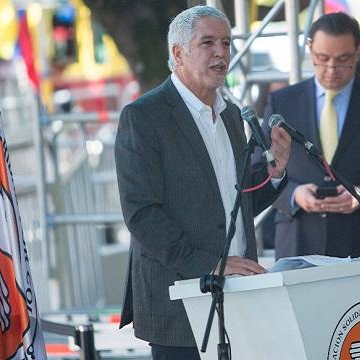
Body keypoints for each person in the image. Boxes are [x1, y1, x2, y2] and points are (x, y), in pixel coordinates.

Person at [114, 6, 291, 360]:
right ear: (178, 53)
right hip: (180, 303)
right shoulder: (144, 117)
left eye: (225, 43)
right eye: (207, 43)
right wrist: (210, 264)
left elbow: (234, 201)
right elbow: (142, 215)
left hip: (239, 296)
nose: (221, 53)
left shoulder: (230, 114)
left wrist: (276, 173)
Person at [262, 12, 360, 259]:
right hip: (300, 242)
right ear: (310, 50)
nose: (331, 69)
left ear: (358, 53)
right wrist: (294, 194)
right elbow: (260, 170)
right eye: (322, 58)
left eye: (343, 59)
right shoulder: (282, 102)